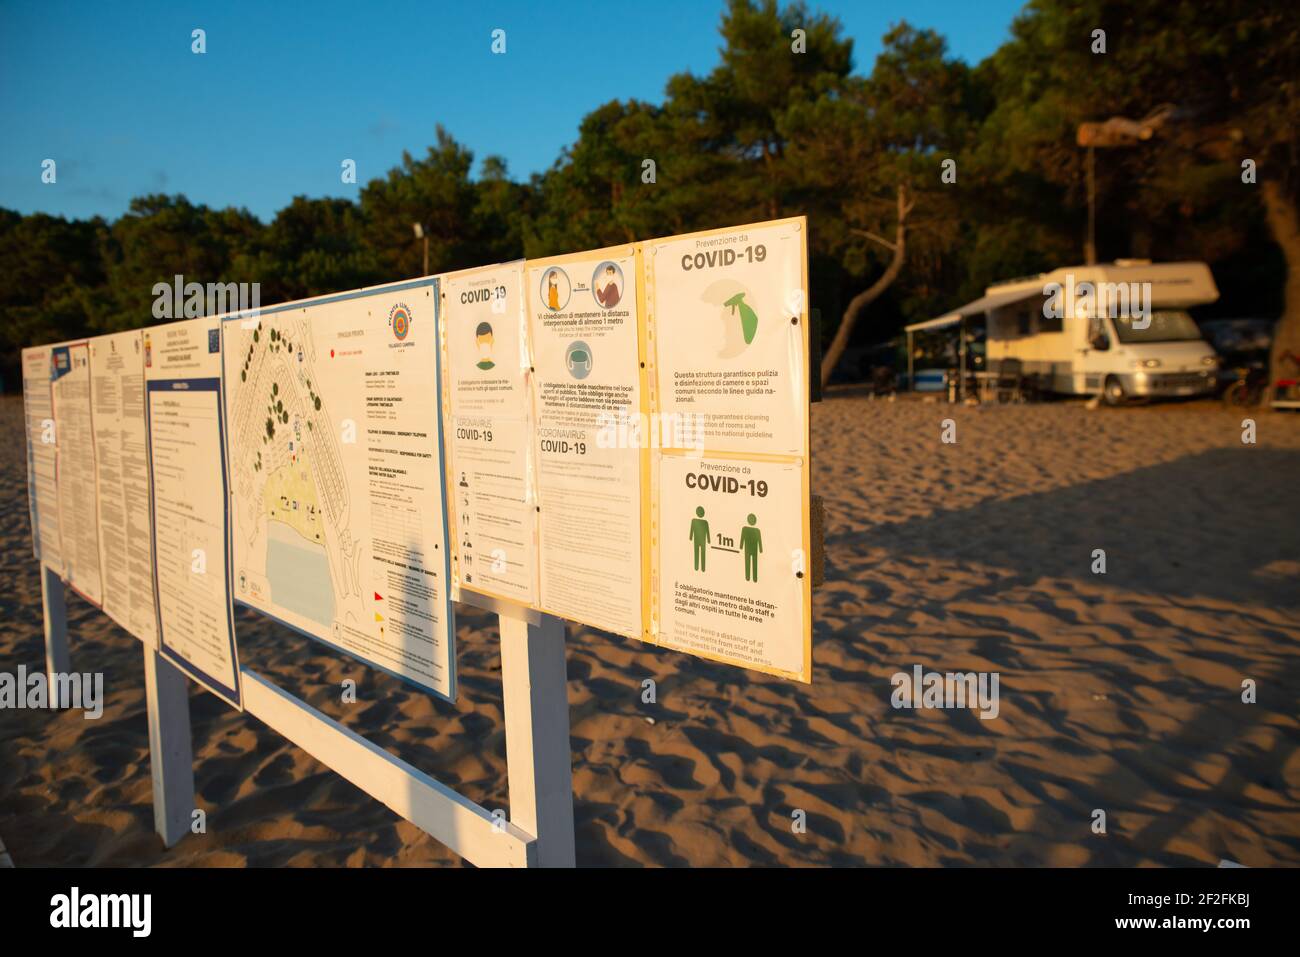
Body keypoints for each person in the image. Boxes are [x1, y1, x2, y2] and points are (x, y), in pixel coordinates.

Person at [740, 514, 762, 582]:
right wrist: (741, 546)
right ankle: (749, 578)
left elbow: (759, 540)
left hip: (751, 549)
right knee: (749, 563)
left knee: (752, 563)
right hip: (751, 549)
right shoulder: (746, 529)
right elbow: (742, 538)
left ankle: (752, 578)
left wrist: (761, 549)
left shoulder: (755, 530)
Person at [689, 506, 710, 572]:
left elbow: (707, 531)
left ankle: (698, 567)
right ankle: (700, 568)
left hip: (698, 540)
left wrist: (691, 537)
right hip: (701, 539)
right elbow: (692, 529)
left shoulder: (696, 521)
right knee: (701, 553)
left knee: (697, 552)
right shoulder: (703, 522)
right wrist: (709, 539)